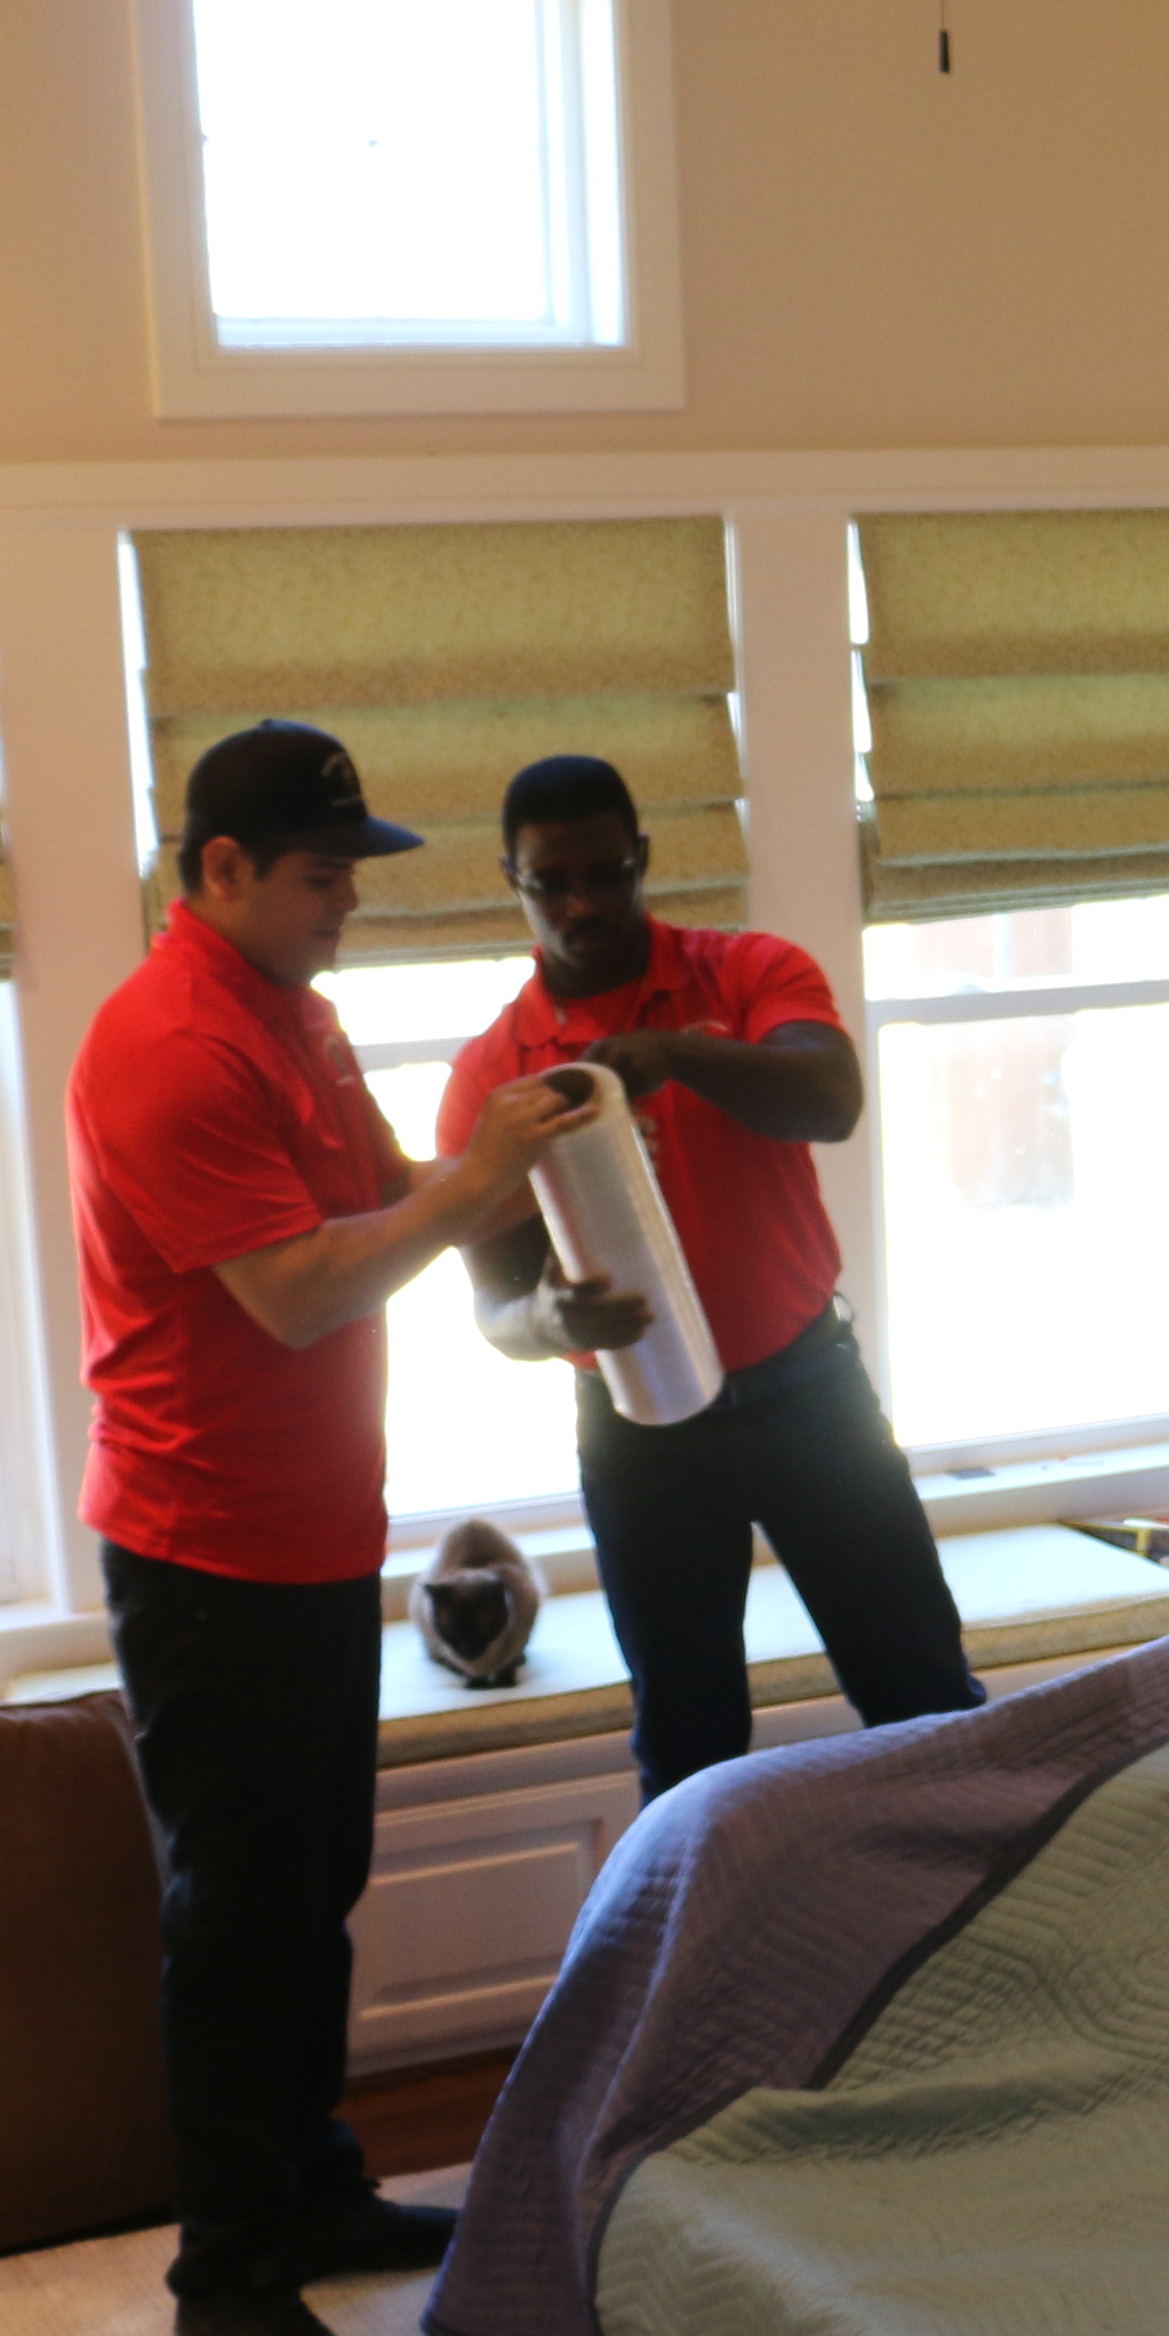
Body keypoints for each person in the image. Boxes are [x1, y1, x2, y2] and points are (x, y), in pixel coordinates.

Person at [70, 720, 602, 2336]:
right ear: (219, 870)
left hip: (312, 1531)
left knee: (318, 1889)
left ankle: (308, 2179)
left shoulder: (286, 1007)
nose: (345, 906)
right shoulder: (165, 1045)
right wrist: (476, 1181)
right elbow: (299, 1288)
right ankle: (226, 2273)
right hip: (202, 1543)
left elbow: (383, 1194)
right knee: (236, 1919)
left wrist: (527, 1263)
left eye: (354, 877)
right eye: (321, 877)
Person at [449, 754, 982, 1803]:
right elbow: (492, 1306)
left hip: (809, 1393)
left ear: (643, 859)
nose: (583, 903)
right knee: (687, 1744)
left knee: (923, 1698)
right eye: (551, 882)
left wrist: (678, 1055)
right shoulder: (493, 1073)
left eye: (607, 873)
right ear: (512, 880)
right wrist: (554, 1320)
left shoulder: (745, 973)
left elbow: (829, 1098)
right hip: (640, 1431)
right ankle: (693, 1968)